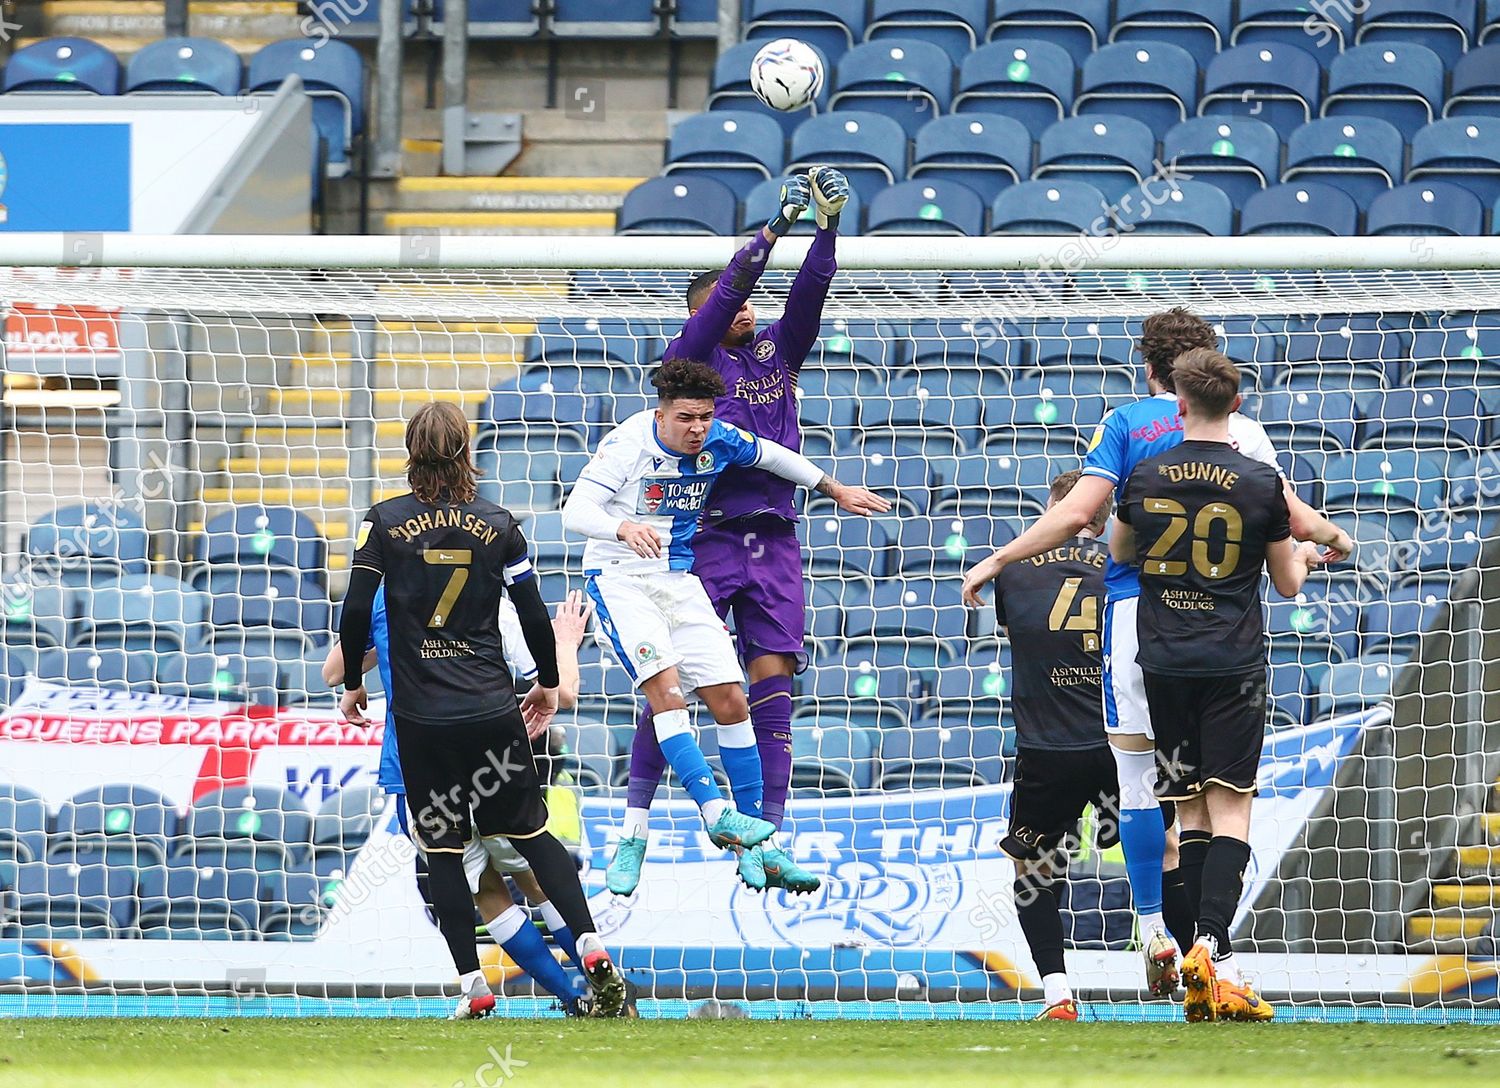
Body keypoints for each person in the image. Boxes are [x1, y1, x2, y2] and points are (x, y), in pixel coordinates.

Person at [961, 308, 1352, 998]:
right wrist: (1328, 547)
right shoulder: (1245, 434)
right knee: (1211, 800)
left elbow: (1078, 516)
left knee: (1142, 781)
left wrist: (998, 558)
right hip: (1220, 629)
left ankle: (1152, 929)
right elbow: (1289, 526)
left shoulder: (1124, 424)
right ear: (1220, 379)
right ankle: (1216, 954)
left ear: (1150, 370)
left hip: (1136, 622)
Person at [337, 400, 627, 1020]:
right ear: (467, 452)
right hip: (491, 710)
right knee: (530, 836)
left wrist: (356, 687)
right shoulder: (499, 524)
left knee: (444, 853)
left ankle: (473, 985)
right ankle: (589, 942)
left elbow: (356, 609)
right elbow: (531, 611)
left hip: (422, 723)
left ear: (410, 454)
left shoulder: (382, 523)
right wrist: (548, 681)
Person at [611, 168, 850, 896]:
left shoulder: (778, 352)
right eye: (733, 301)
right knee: (673, 685)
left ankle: (766, 839)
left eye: (750, 301)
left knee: (772, 683)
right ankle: (636, 826)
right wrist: (774, 230)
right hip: (703, 537)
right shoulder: (695, 361)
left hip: (774, 537)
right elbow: (726, 292)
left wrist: (826, 228)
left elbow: (810, 294)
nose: (746, 307)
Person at [560, 358, 887, 884]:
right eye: (686, 418)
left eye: (705, 417)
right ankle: (694, 821)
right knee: (667, 694)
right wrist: (622, 528)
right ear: (661, 415)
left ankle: (759, 848)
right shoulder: (627, 444)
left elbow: (775, 456)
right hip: (620, 580)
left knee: (732, 699)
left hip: (678, 577)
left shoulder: (721, 439)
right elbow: (575, 511)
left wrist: (834, 488)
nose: (697, 429)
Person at [1113, 348, 1325, 1023]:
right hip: (1232, 665)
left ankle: (1205, 954)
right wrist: (1309, 553)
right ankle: (1209, 942)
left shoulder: (1145, 473)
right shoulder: (1260, 481)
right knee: (1233, 808)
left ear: (1179, 405)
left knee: (1191, 813)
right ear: (1236, 405)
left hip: (1163, 662)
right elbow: (1286, 583)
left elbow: (1118, 550)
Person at [324, 589, 597, 1015]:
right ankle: (601, 983)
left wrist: (380, 641)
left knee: (484, 889)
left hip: (416, 762)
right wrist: (564, 642)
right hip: (491, 759)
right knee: (533, 879)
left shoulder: (383, 596)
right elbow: (562, 693)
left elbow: (333, 672)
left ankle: (562, 998)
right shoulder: (486, 594)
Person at [991, 470, 1115, 1022]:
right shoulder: (1126, 567)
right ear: (1102, 520)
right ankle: (1186, 959)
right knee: (1164, 848)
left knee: (1033, 867)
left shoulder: (1013, 569)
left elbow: (1019, 635)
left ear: (1052, 511)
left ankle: (1057, 992)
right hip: (1120, 741)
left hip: (1046, 745)